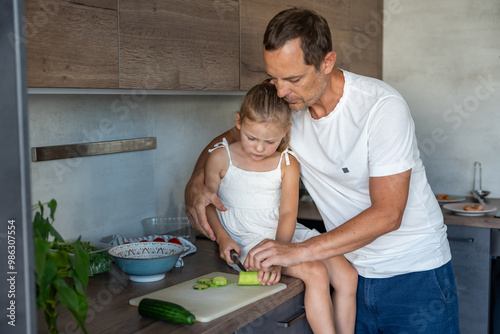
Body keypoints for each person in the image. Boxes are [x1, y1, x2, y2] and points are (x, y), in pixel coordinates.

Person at [185, 7, 460, 334]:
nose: (281, 91)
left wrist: (294, 251)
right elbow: (227, 140)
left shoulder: (380, 107)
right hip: (353, 271)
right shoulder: (287, 110)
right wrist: (195, 183)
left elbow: (388, 214)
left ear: (326, 63)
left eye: (293, 78)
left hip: (414, 277)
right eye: (274, 77)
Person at [204, 81, 357, 334]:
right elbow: (209, 203)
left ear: (286, 131)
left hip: (285, 234)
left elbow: (288, 214)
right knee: (316, 272)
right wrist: (222, 239)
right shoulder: (221, 157)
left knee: (348, 276)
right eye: (251, 138)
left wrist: (281, 251)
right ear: (239, 122)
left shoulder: (287, 162)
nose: (260, 148)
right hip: (247, 239)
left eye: (270, 141)